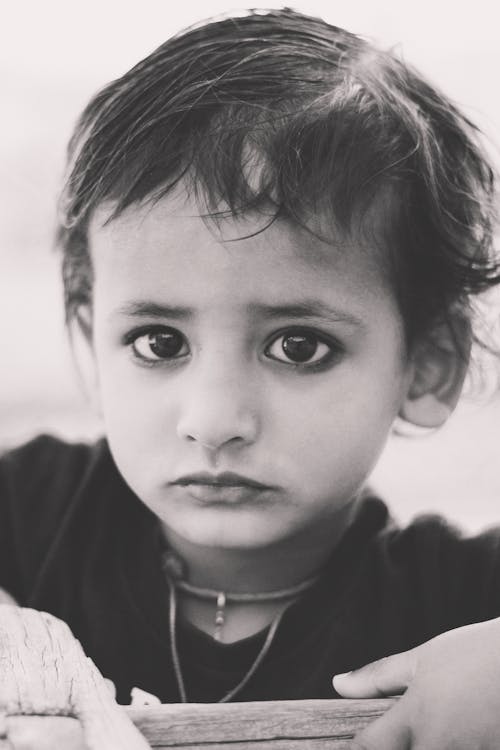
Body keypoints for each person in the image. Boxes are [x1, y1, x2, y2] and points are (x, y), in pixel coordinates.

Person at [1, 7, 500, 748]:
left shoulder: (455, 603)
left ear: (427, 365)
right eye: (158, 341)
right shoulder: (25, 517)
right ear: (90, 332)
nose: (214, 419)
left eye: (299, 347)